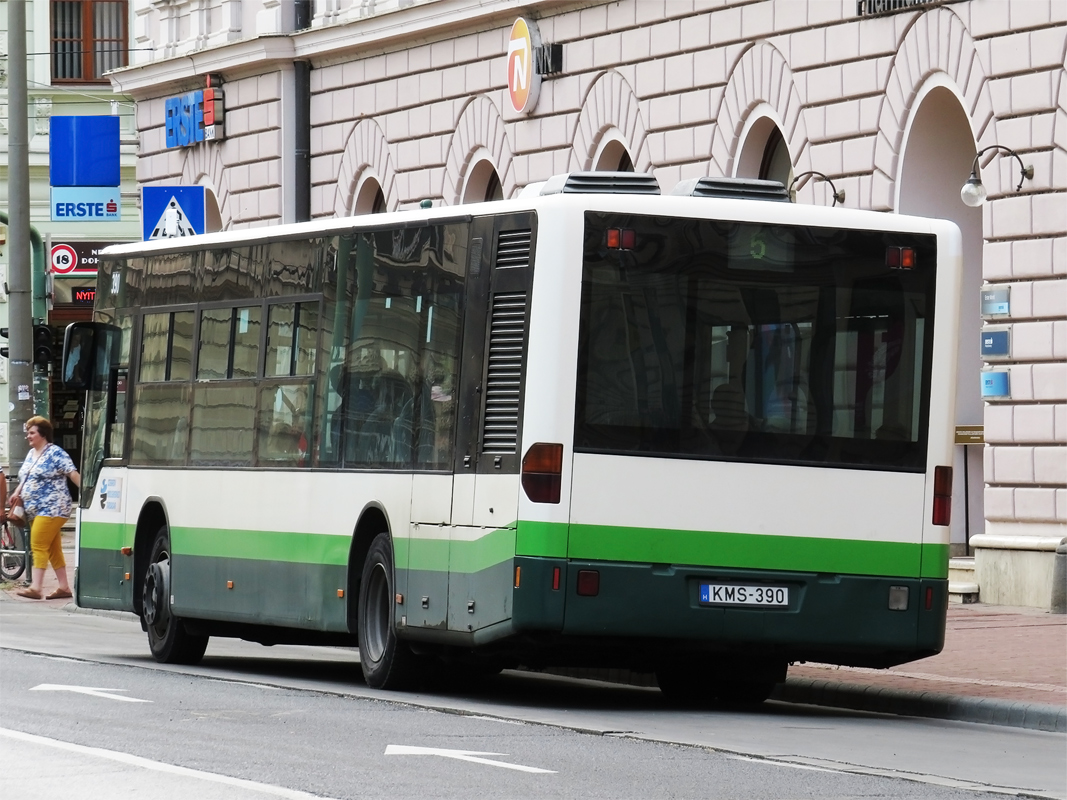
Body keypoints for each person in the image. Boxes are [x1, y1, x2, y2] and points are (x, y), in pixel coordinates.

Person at [12, 416, 80, 600]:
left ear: (43, 434)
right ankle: (64, 587)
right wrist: (17, 492)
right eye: (28, 432)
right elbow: (25, 477)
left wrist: (88, 491)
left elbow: (72, 472)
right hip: (35, 509)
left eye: (32, 433)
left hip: (53, 508)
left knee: (38, 544)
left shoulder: (55, 453)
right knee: (53, 548)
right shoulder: (31, 454)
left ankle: (36, 587)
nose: (28, 436)